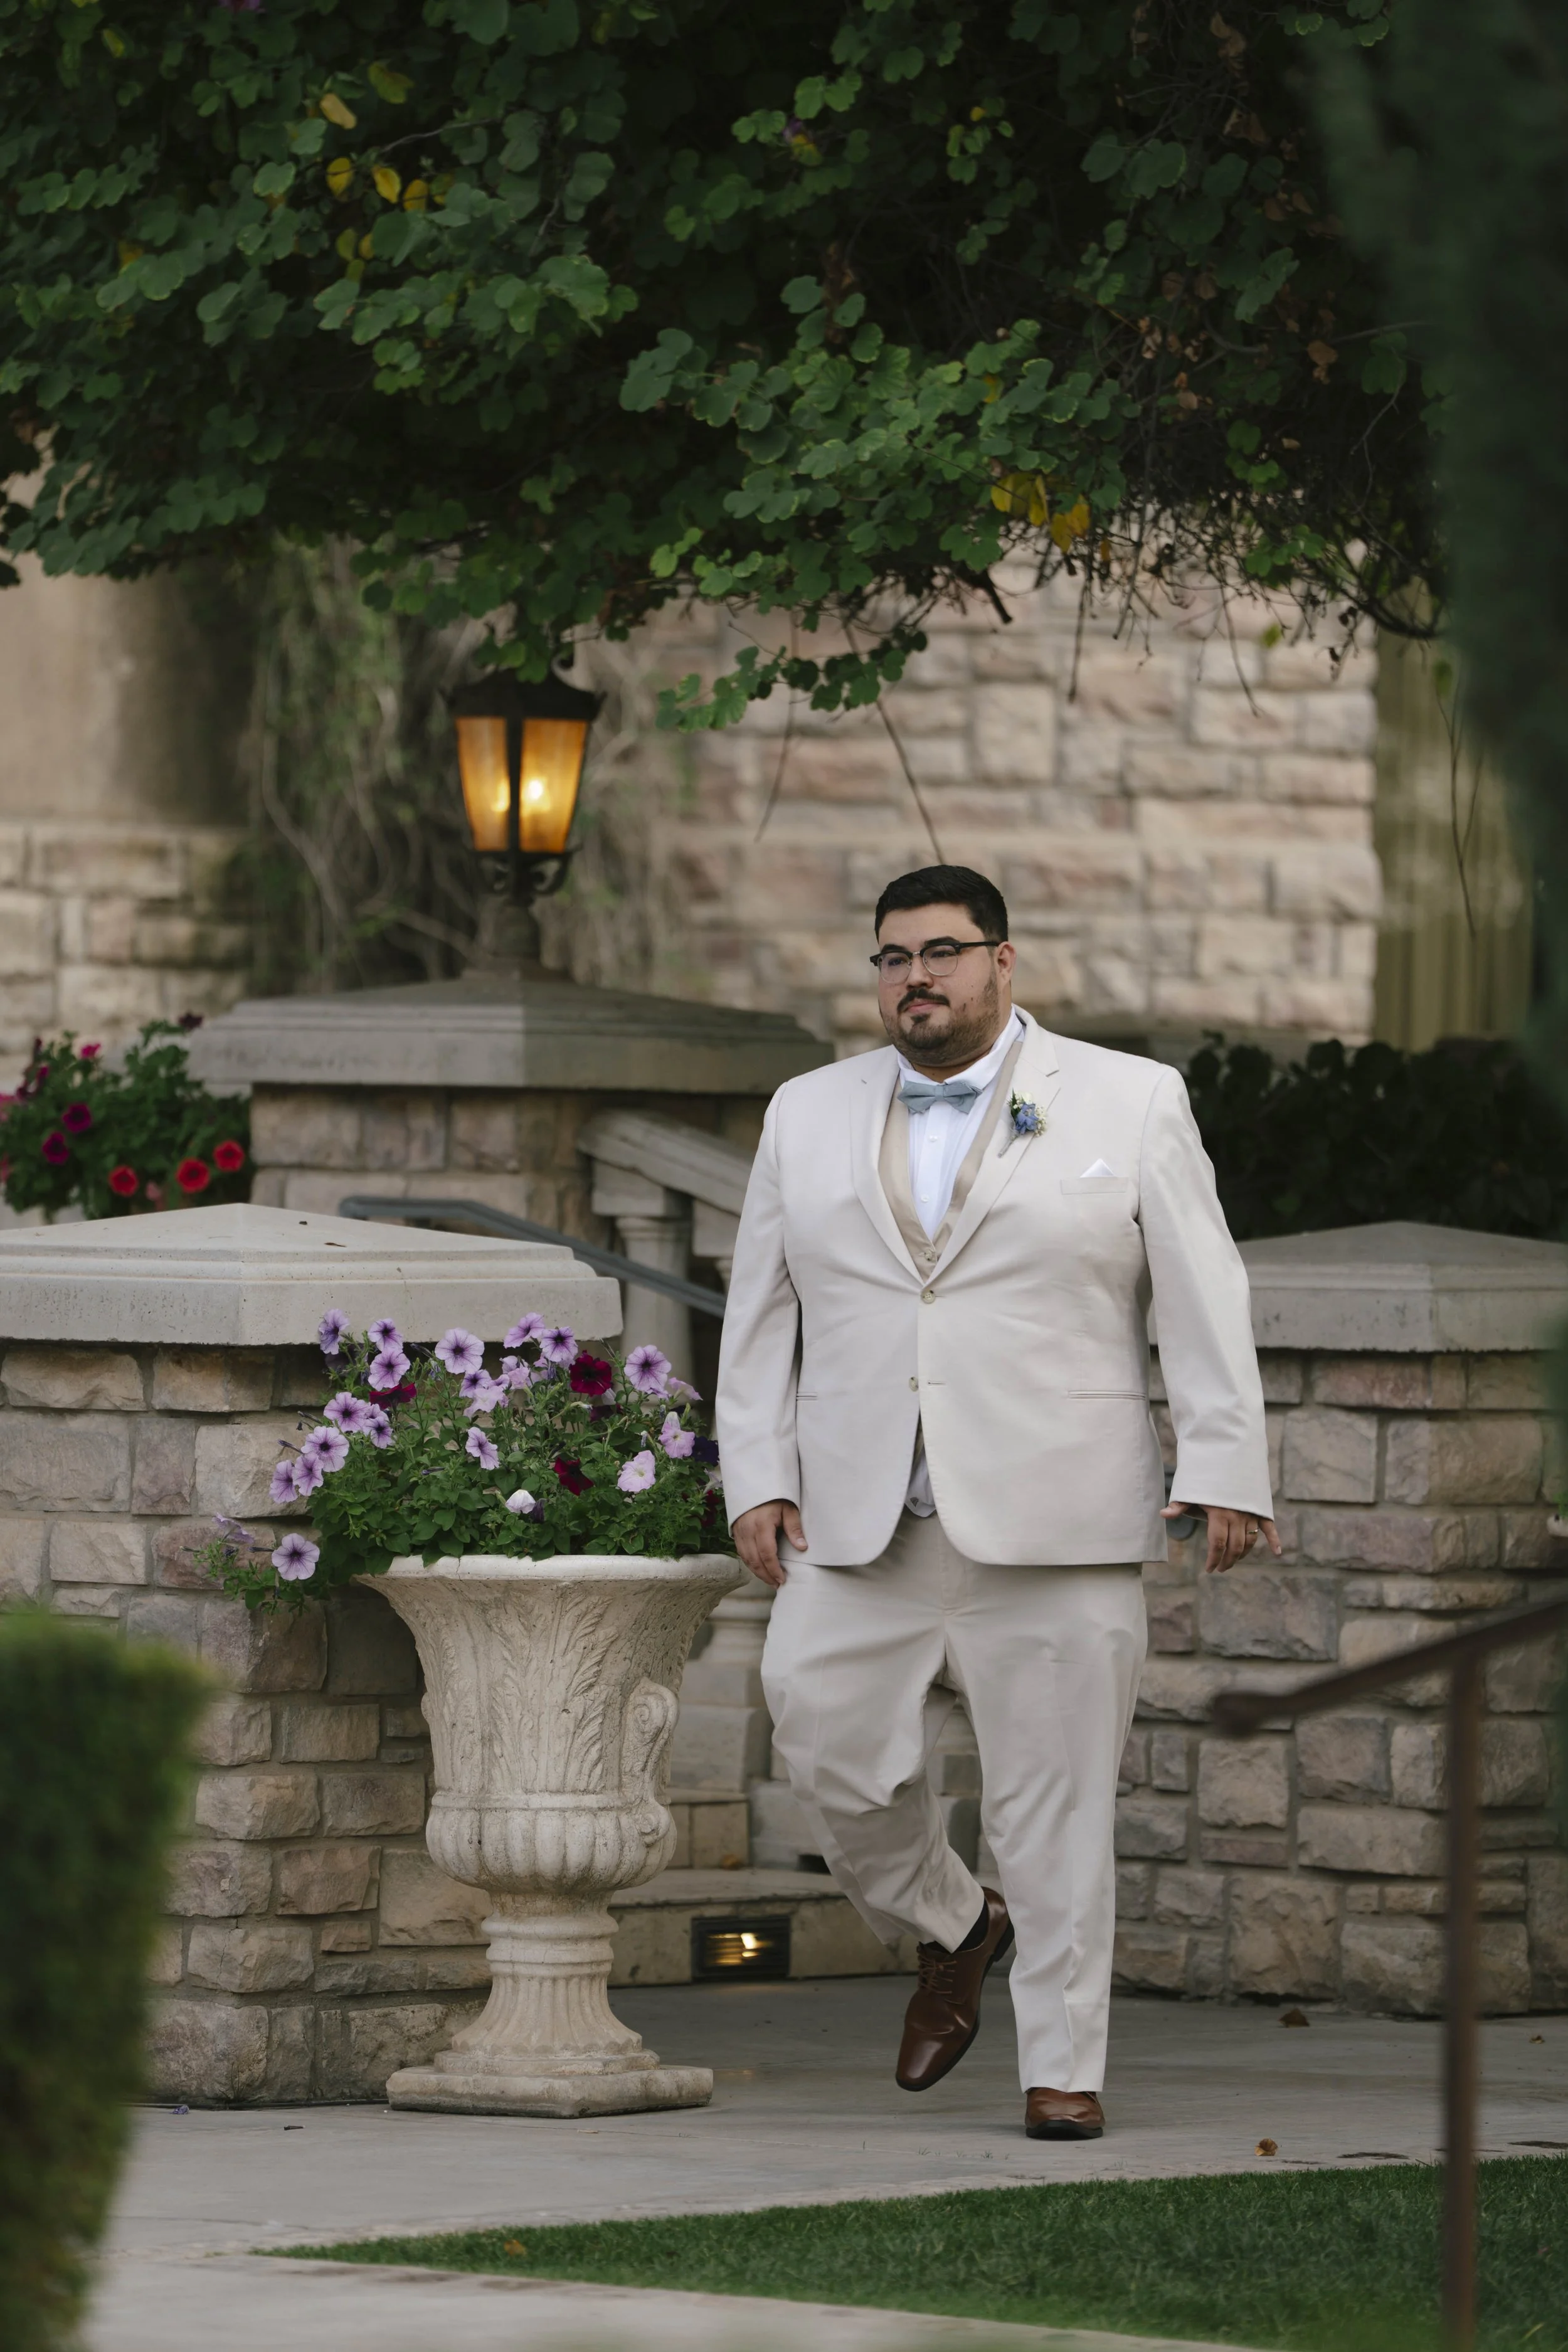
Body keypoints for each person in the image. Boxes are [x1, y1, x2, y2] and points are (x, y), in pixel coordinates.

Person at [715, 864, 1278, 2140]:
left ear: (1002, 961)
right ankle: (956, 1921)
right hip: (859, 1522)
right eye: (892, 957)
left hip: (1057, 1517)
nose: (914, 977)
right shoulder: (805, 1111)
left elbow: (1203, 1291)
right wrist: (757, 1474)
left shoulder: (1131, 1099)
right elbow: (759, 1312)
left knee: (1053, 1807)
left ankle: (1061, 2068)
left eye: (942, 952)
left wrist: (1222, 1465)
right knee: (821, 1737)